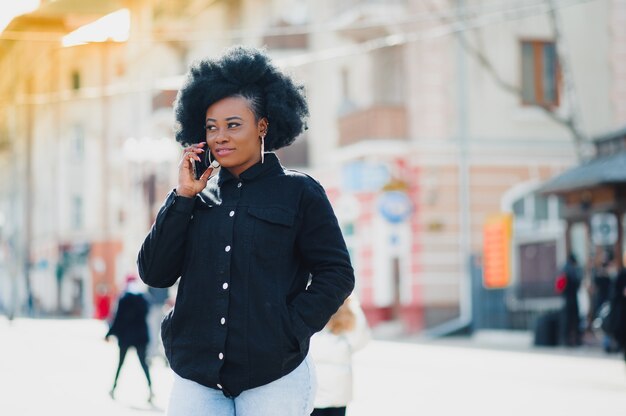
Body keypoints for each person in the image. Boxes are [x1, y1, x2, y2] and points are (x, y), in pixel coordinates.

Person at [137, 46, 355, 416]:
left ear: (263, 126)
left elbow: (336, 274)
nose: (220, 136)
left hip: (274, 375)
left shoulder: (299, 192)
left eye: (233, 125)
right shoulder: (193, 196)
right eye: (211, 127)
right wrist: (182, 197)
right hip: (196, 374)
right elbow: (155, 273)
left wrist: (290, 329)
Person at [310, 297, 370, 416]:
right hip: (340, 385)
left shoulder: (311, 302)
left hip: (315, 384)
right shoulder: (351, 308)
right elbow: (361, 340)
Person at [105, 274, 153, 402]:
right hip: (140, 336)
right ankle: (151, 389)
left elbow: (117, 319)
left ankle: (114, 388)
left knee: (120, 364)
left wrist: (109, 333)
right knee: (144, 364)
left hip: (125, 337)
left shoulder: (123, 298)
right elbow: (147, 314)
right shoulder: (143, 298)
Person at [560, 253, 582, 346]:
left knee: (567, 320)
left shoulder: (564, 269)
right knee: (573, 319)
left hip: (566, 298)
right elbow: (577, 283)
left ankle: (566, 340)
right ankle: (575, 340)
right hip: (572, 298)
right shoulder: (572, 269)